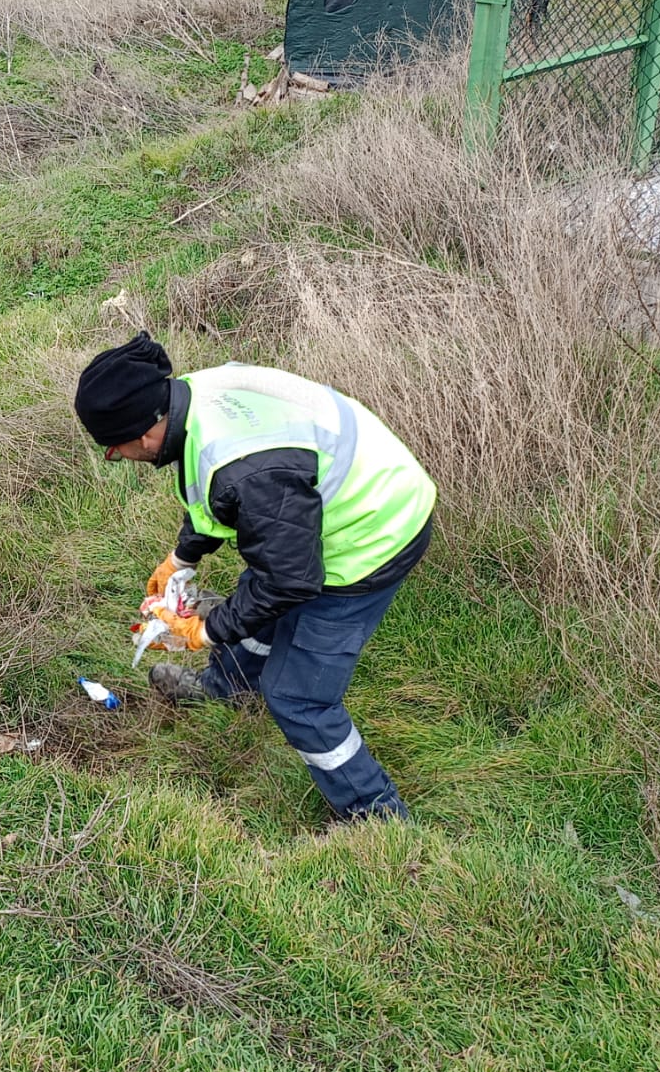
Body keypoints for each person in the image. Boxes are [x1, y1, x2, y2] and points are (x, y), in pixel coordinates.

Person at [73, 333, 436, 823]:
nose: (116, 460)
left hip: (374, 535)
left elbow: (290, 580)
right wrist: (181, 558)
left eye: (113, 451)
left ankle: (378, 816)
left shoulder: (244, 467)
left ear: (141, 435)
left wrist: (206, 630)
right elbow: (223, 497)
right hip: (329, 507)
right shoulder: (193, 398)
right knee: (259, 604)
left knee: (298, 696)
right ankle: (229, 687)